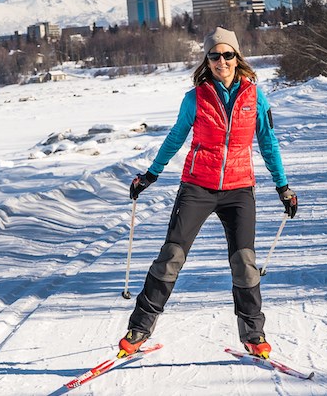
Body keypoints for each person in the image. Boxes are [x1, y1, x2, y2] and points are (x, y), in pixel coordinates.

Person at [118, 26, 297, 360]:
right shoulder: (195, 98)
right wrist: (151, 174)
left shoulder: (255, 96)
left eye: (227, 55)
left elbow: (268, 142)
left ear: (237, 58)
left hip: (239, 188)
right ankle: (139, 328)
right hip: (197, 186)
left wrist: (282, 186)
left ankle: (254, 335)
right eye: (214, 56)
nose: (221, 61)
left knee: (245, 263)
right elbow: (175, 137)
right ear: (207, 60)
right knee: (172, 255)